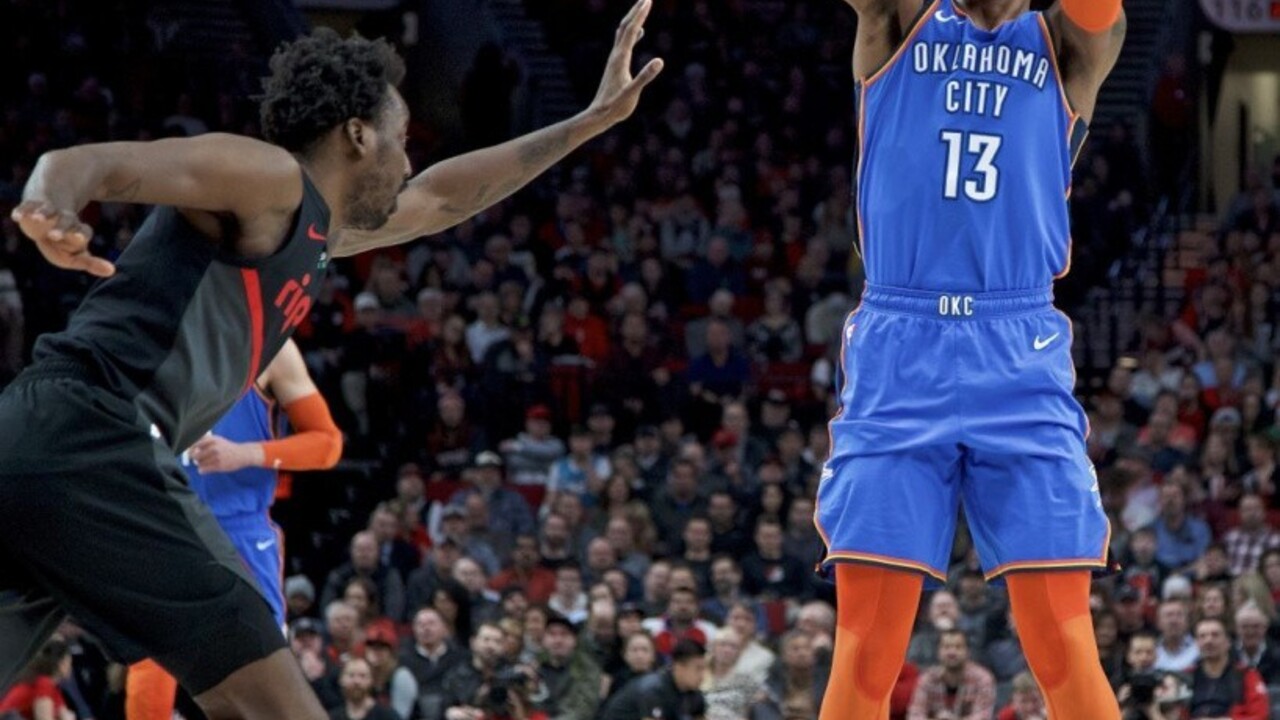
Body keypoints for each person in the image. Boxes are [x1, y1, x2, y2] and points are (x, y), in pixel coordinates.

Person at [0, 6, 663, 719]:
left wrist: (588, 123)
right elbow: (87, 163)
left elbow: (441, 198)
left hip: (28, 441)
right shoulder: (270, 178)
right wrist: (49, 204)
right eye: (401, 140)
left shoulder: (319, 228)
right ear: (357, 134)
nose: (407, 162)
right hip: (100, 426)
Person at [815, 0, 1126, 717]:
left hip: (1018, 345)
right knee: (866, 651)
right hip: (901, 345)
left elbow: (1099, 13)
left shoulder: (1065, 41)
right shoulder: (901, 19)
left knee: (1062, 643)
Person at [126, 337, 343, 720]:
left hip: (240, 526)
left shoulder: (272, 348)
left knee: (262, 675)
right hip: (167, 523)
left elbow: (327, 444)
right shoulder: (147, 333)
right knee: (151, 664)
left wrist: (247, 453)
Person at [0, 636, 75, 720]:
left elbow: (64, 713)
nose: (71, 668)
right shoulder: (44, 683)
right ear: (60, 665)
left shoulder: (53, 689)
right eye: (69, 663)